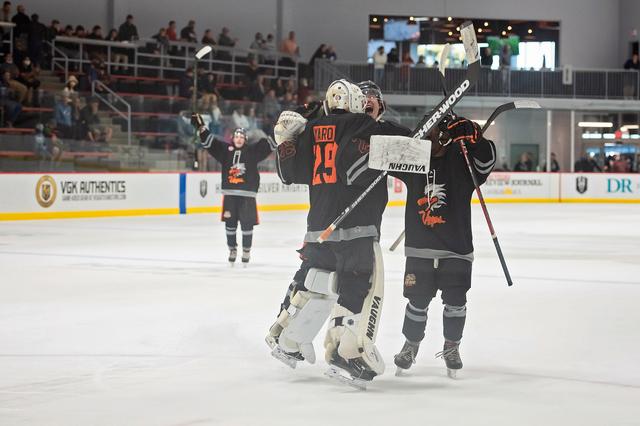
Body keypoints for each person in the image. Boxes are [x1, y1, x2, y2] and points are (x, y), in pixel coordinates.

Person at [265, 80, 391, 386]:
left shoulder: (313, 128)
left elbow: (290, 173)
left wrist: (287, 138)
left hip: (319, 225)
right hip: (357, 226)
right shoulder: (364, 127)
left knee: (316, 283)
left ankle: (286, 335)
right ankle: (346, 352)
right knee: (361, 285)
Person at [391, 114, 496, 378]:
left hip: (456, 249)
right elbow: (384, 155)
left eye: (432, 131)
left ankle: (451, 347)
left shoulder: (462, 160)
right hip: (420, 248)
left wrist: (475, 137)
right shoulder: (414, 161)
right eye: (423, 132)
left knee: (456, 302)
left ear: (445, 134)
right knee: (417, 301)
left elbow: (487, 160)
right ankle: (411, 345)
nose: (427, 137)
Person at [189, 121, 277, 265]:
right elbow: (212, 144)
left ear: (245, 140)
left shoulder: (252, 151)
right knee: (230, 225)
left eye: (242, 137)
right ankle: (232, 249)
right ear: (232, 138)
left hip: (247, 196)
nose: (239, 139)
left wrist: (278, 130)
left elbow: (268, 145)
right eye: (236, 137)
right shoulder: (225, 151)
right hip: (230, 196)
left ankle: (246, 250)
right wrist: (201, 128)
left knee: (247, 225)